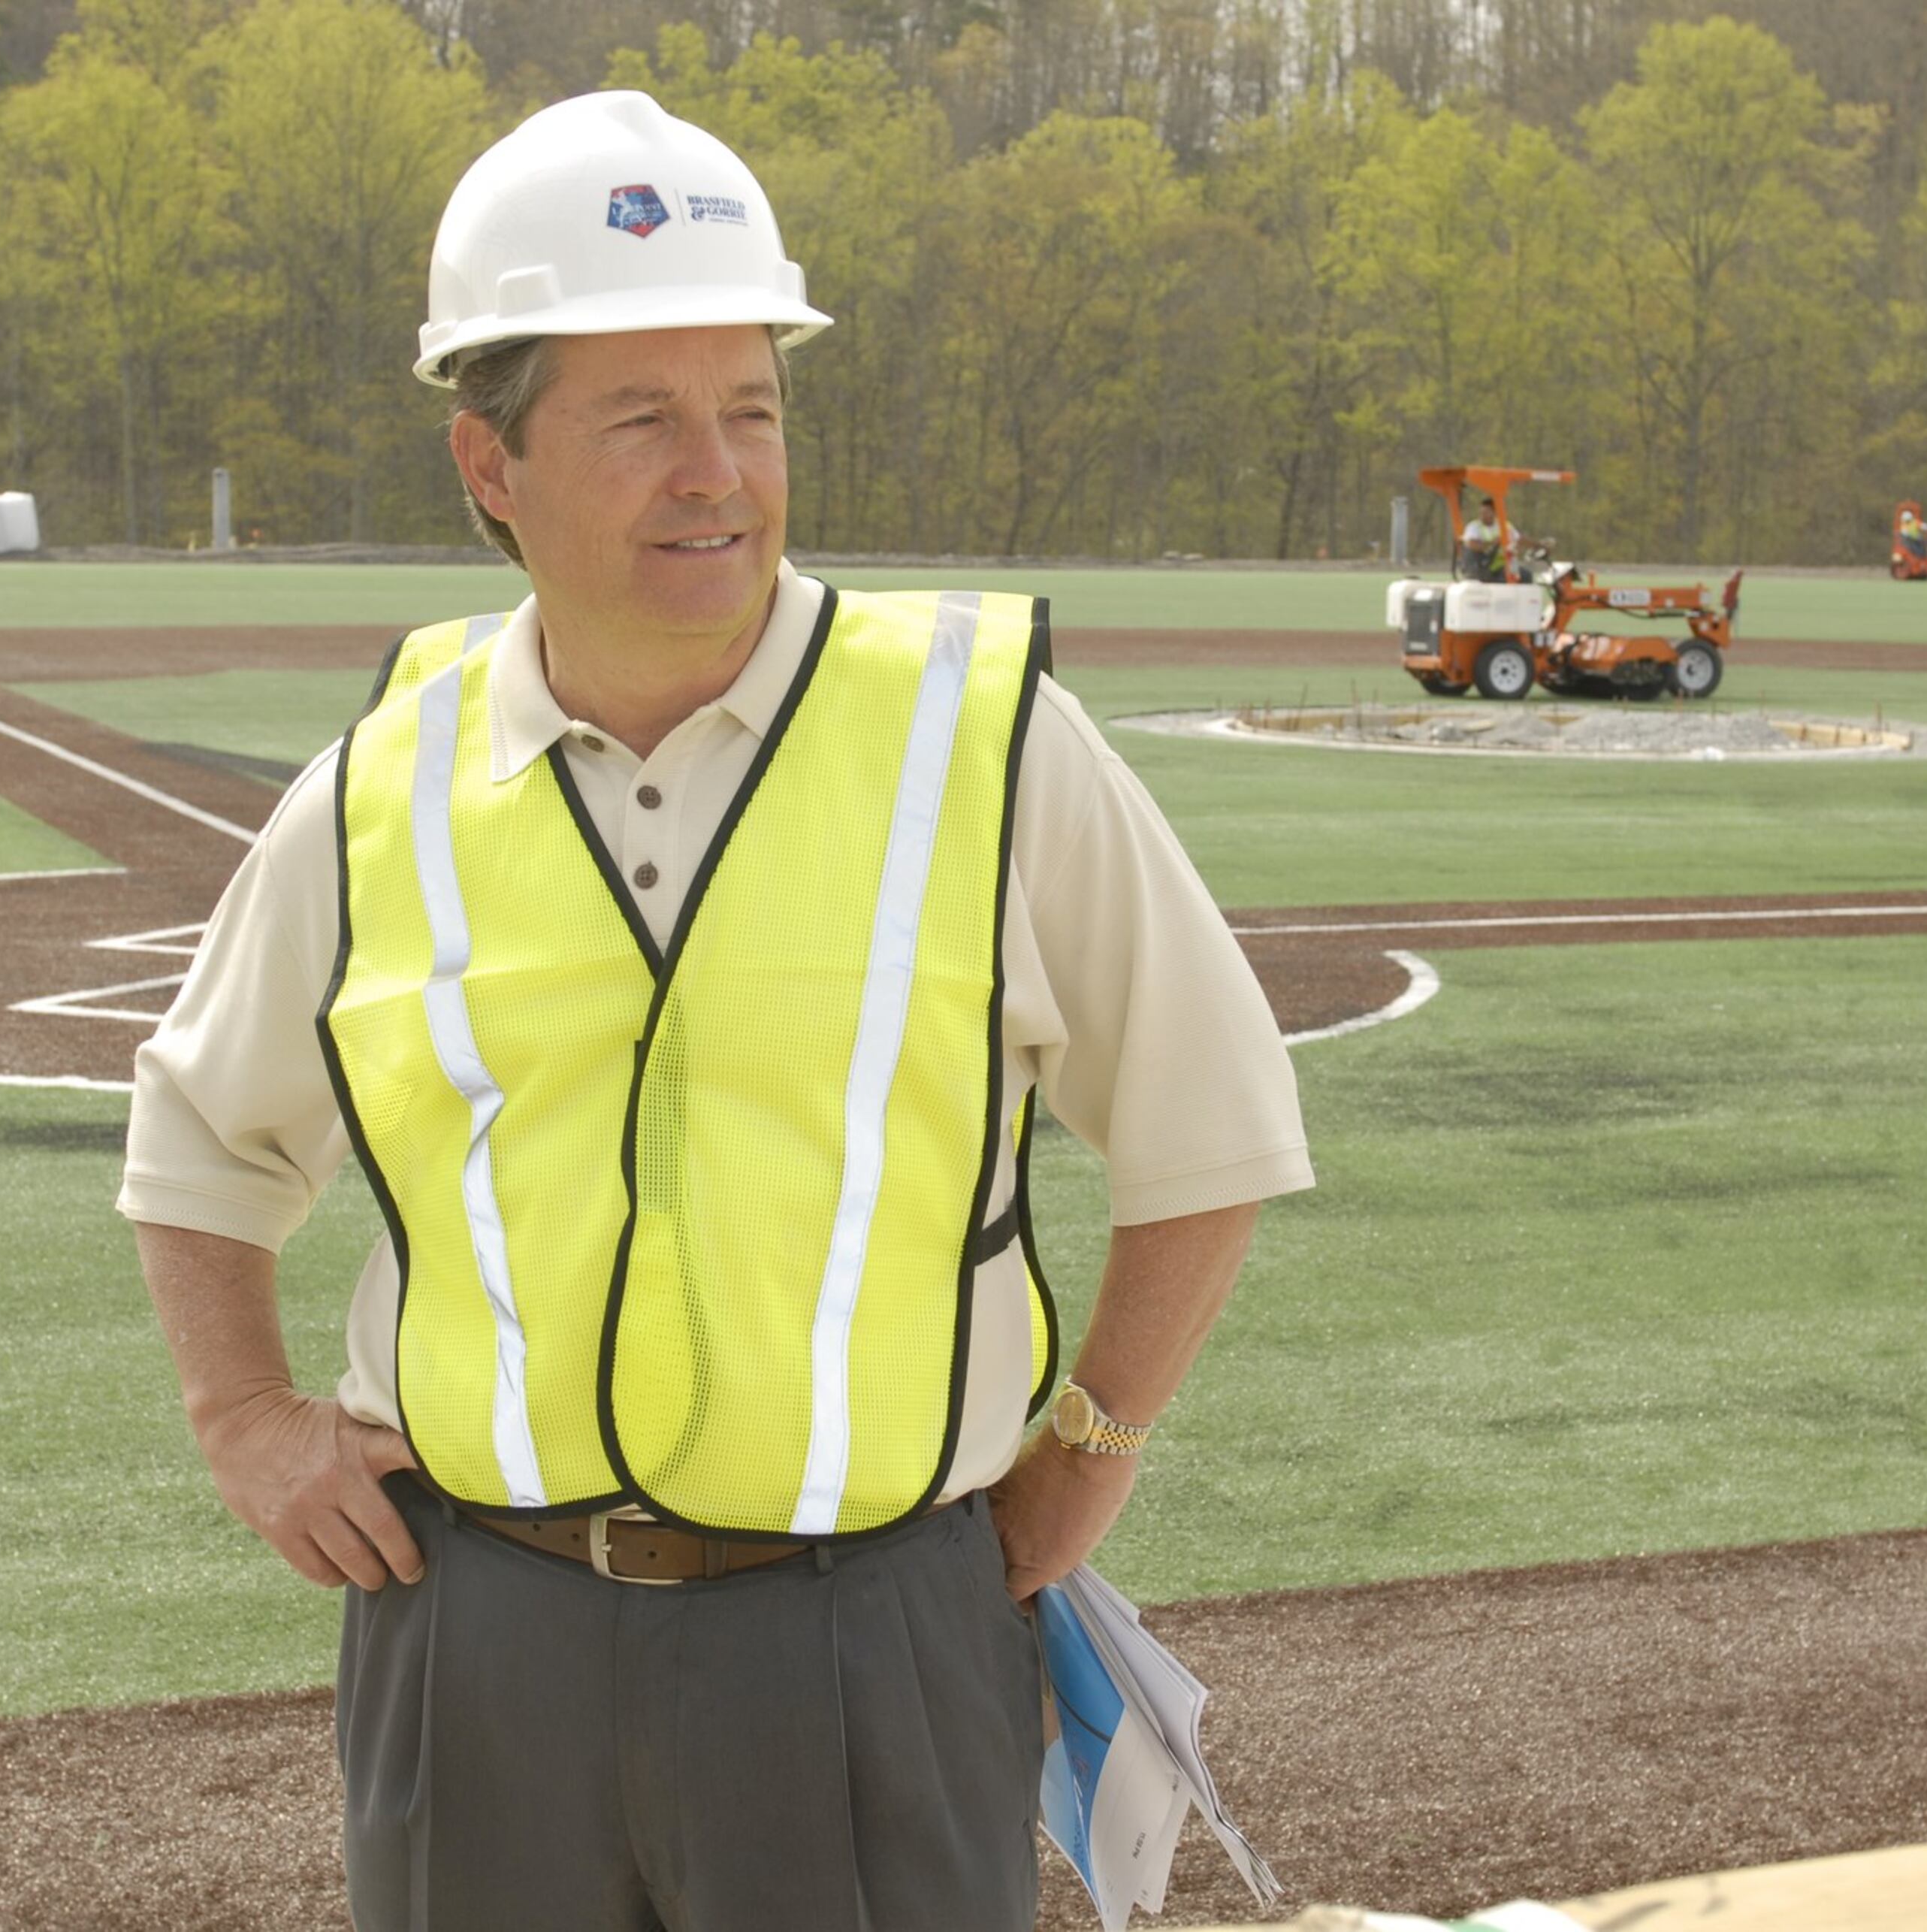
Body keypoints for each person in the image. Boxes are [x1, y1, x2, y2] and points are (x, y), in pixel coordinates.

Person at [117, 90, 1311, 1932]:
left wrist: (1095, 1436)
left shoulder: (982, 738)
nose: (718, 474)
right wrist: (239, 1413)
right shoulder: (382, 786)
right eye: (642, 420)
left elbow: (1211, 1120)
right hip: (477, 1639)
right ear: (488, 462)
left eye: (751, 409)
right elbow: (200, 1132)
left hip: (871, 1634)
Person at [1459, 494, 1505, 580]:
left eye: (1486, 512)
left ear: (1494, 512)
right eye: (1481, 512)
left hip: (1499, 566)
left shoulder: (1503, 526)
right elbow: (1471, 544)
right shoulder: (1474, 526)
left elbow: (1517, 539)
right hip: (1480, 567)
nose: (1482, 515)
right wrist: (1492, 543)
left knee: (1524, 574)